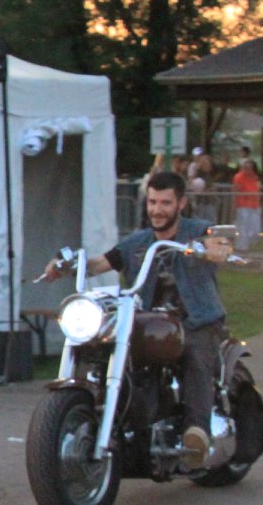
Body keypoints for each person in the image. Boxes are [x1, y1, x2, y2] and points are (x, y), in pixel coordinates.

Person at [42, 170, 231, 468]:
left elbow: (219, 243)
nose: (157, 210)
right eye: (153, 202)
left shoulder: (198, 232)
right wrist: (67, 265)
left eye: (165, 203)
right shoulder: (137, 243)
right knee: (102, 347)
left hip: (195, 321)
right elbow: (99, 264)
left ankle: (197, 433)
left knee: (195, 356)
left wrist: (214, 250)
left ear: (181, 203)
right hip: (147, 324)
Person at [230, 158, 262, 252]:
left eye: (250, 167)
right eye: (246, 167)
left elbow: (258, 190)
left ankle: (247, 244)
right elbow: (235, 190)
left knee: (255, 228)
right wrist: (234, 204)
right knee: (242, 227)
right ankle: (241, 247)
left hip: (255, 205)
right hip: (243, 205)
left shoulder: (255, 177)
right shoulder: (238, 177)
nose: (248, 169)